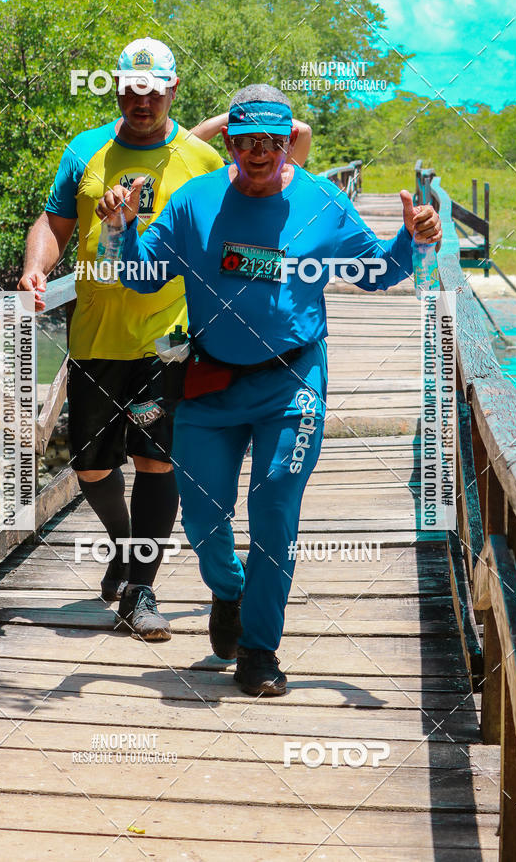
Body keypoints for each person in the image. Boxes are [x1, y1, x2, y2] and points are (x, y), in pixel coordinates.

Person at [96, 84, 442, 694]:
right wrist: (120, 229)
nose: (261, 152)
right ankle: (227, 591)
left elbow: (380, 271)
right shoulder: (192, 202)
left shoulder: (322, 202)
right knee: (204, 520)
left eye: (273, 141)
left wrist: (413, 241)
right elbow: (139, 276)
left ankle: (260, 651)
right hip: (210, 379)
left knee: (276, 509)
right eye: (249, 140)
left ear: (289, 142)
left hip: (293, 381)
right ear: (229, 141)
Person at [18, 37, 223, 641]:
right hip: (94, 335)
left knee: (157, 462)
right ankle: (128, 548)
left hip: (168, 337)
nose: (143, 99)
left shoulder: (201, 160)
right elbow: (53, 224)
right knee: (90, 466)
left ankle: (140, 590)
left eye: (155, 89)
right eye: (133, 89)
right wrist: (37, 267)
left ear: (172, 90)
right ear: (118, 89)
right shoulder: (86, 151)